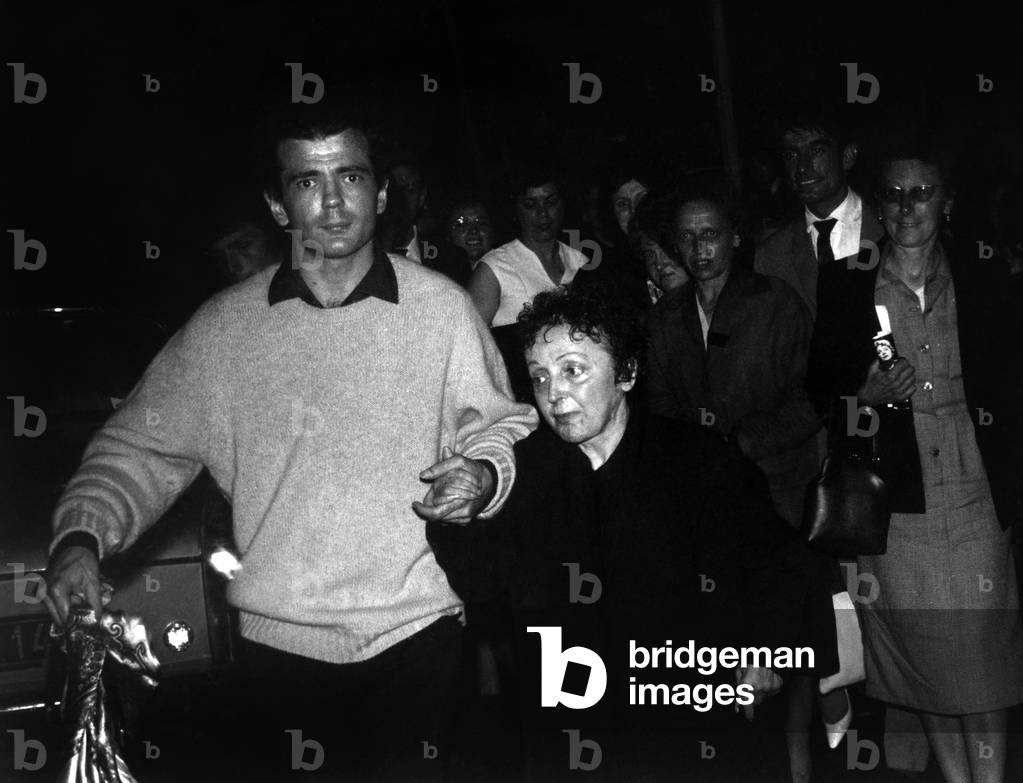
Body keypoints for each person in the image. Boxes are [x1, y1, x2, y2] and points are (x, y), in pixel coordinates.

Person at [42, 102, 538, 782]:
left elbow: (502, 423)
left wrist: (483, 472)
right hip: (279, 653)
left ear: (382, 193)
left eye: (352, 177)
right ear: (278, 206)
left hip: (418, 636)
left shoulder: (442, 309)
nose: (334, 202)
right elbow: (136, 447)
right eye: (308, 182)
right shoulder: (224, 330)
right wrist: (80, 537)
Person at [428, 284, 838, 782]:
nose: (554, 393)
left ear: (626, 372)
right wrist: (457, 519)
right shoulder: (529, 472)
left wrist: (764, 652)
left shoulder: (697, 460)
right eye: (539, 378)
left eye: (573, 370)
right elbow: (486, 588)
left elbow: (779, 564)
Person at [808, 131, 1023, 783]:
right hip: (899, 500)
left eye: (921, 192)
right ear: (879, 203)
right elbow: (818, 393)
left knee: (981, 657)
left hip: (976, 487)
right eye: (895, 193)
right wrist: (863, 395)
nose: (907, 207)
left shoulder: (984, 274)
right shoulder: (845, 284)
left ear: (946, 201)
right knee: (927, 658)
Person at [648, 178, 849, 783]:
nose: (698, 248)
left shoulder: (775, 302)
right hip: (706, 516)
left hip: (778, 503)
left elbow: (813, 398)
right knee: (728, 665)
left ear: (734, 238)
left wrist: (741, 443)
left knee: (787, 655)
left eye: (710, 234)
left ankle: (799, 766)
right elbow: (658, 411)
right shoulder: (663, 318)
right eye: (686, 238)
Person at [468, 170, 588, 401]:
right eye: (531, 204)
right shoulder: (494, 267)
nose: (542, 213)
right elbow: (469, 347)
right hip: (519, 395)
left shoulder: (580, 262)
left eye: (550, 202)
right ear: (517, 209)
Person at [755, 103, 884, 318]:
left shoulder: (890, 226)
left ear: (847, 157)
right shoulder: (772, 255)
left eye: (816, 151)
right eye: (792, 155)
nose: (803, 167)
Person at [447, 198, 496, 269]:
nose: (473, 230)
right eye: (462, 224)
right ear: (449, 235)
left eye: (481, 223)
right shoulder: (437, 276)